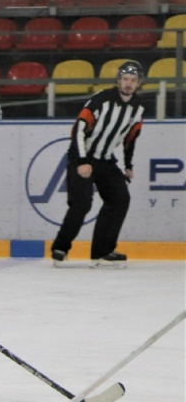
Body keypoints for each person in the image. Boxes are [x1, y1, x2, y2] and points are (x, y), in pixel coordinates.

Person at [51, 61, 145, 268]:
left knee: (120, 199)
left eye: (133, 80)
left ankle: (102, 251)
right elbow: (79, 129)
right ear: (118, 80)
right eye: (125, 79)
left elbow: (131, 138)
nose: (129, 84)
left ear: (139, 84)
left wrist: (128, 165)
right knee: (82, 204)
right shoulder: (102, 99)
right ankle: (60, 247)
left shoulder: (138, 108)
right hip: (82, 156)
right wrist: (83, 161)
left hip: (105, 160)